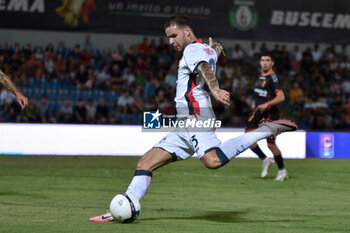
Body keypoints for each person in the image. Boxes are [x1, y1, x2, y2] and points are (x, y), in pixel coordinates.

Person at [89, 15, 297, 222]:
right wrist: (216, 48)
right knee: (146, 162)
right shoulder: (204, 49)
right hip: (183, 123)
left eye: (173, 35)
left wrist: (215, 89)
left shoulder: (191, 50)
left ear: (186, 31)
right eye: (168, 37)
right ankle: (125, 206)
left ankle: (266, 130)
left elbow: (203, 68)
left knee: (212, 160)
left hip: (196, 115)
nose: (171, 41)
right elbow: (209, 57)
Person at [245, 53, 288, 181]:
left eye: (267, 60)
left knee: (271, 144)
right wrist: (255, 104)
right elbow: (260, 94)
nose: (264, 62)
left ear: (272, 63)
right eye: (262, 60)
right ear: (259, 62)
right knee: (247, 138)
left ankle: (282, 171)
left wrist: (266, 104)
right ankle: (265, 159)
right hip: (258, 112)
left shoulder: (273, 79)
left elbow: (281, 97)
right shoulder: (260, 76)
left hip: (270, 114)